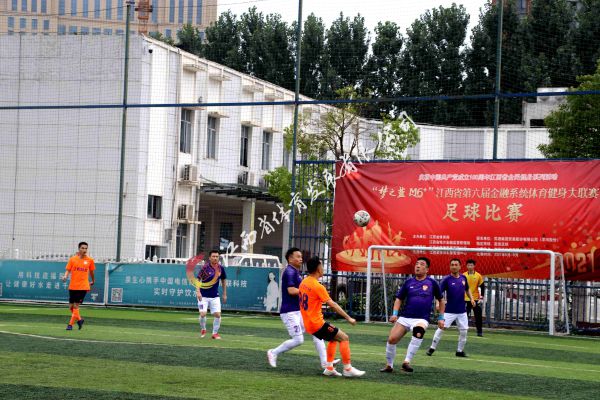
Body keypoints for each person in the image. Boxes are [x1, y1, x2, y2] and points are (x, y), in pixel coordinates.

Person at [267, 248, 335, 370]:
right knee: (298, 340)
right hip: (289, 312)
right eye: (298, 256)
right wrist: (308, 292)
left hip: (299, 311)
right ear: (290, 259)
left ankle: (325, 363)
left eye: (301, 256)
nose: (301, 259)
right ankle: (273, 352)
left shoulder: (295, 271)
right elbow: (291, 290)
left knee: (317, 332)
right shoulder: (289, 272)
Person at [298, 256, 365, 377]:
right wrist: (348, 318)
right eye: (322, 266)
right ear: (318, 268)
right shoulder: (317, 286)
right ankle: (348, 369)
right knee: (344, 337)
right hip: (316, 323)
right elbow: (333, 305)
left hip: (308, 323)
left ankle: (329, 368)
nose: (323, 268)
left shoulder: (304, 282)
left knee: (333, 339)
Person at [380, 257, 444, 373]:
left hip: (421, 318)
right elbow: (399, 299)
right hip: (405, 317)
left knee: (419, 332)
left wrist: (441, 318)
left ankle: (406, 362)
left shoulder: (432, 283)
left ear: (427, 269)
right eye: (417, 264)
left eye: (422, 264)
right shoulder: (408, 282)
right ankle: (389, 365)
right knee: (392, 339)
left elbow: (441, 300)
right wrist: (395, 314)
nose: (418, 266)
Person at [426, 258, 475, 357]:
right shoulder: (446, 279)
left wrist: (472, 298)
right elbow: (439, 293)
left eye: (456, 265)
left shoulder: (463, 278)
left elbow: (467, 289)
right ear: (450, 267)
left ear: (460, 266)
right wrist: (437, 303)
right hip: (449, 311)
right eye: (452, 265)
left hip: (462, 311)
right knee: (441, 328)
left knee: (464, 331)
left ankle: (459, 351)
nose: (454, 266)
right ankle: (432, 348)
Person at [61, 242, 95, 331]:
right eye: (82, 248)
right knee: (71, 307)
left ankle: (70, 325)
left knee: (76, 306)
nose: (84, 250)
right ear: (79, 249)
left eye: (86, 248)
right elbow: (68, 270)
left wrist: (93, 280)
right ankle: (80, 319)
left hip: (83, 286)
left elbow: (92, 272)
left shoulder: (90, 260)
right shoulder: (72, 259)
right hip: (73, 286)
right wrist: (65, 276)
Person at [196, 249, 227, 339]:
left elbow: (224, 280)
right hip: (202, 296)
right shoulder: (205, 268)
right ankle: (203, 329)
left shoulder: (221, 268)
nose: (215, 258)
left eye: (217, 256)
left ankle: (215, 333)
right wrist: (198, 292)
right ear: (209, 258)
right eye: (213, 256)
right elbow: (198, 279)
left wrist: (224, 294)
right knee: (203, 314)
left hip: (215, 296)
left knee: (218, 315)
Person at [464, 259, 485, 337]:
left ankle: (479, 332)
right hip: (465, 299)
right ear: (466, 266)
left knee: (478, 316)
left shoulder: (478, 275)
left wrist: (481, 298)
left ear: (474, 266)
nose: (470, 267)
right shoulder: (463, 275)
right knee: (464, 316)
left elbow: (482, 287)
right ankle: (463, 331)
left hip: (475, 299)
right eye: (468, 265)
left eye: (471, 265)